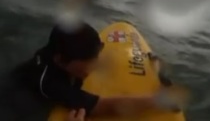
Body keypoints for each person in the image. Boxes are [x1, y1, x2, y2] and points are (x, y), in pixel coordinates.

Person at [21, 22, 181, 119]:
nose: (93, 67)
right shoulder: (48, 81)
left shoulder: (58, 52)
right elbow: (103, 107)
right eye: (87, 63)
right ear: (60, 60)